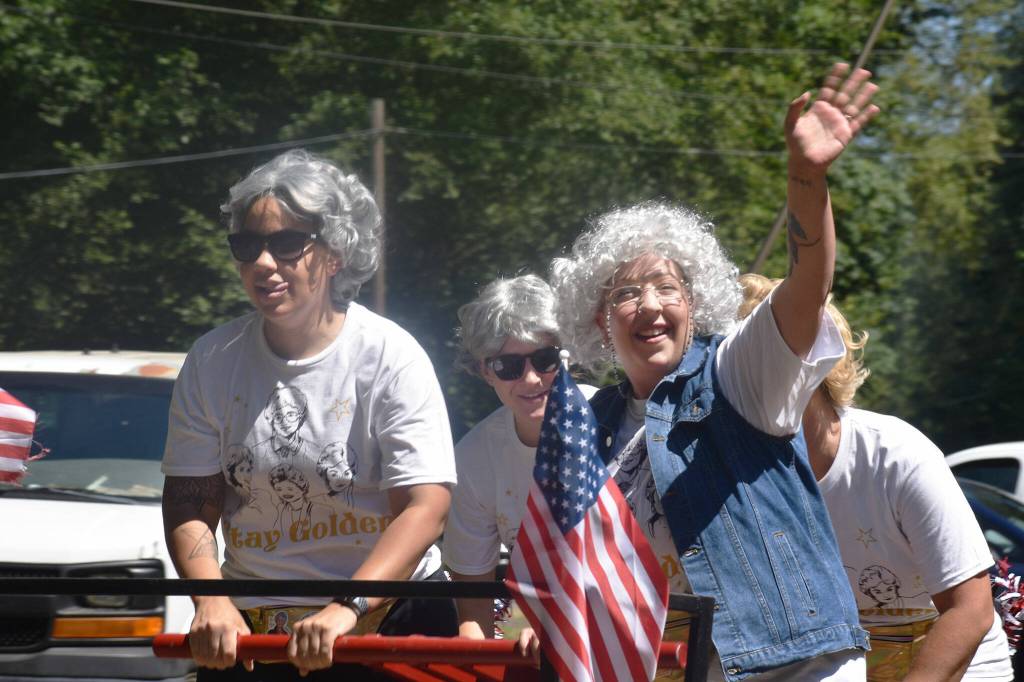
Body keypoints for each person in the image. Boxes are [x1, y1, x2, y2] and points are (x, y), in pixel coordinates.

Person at [550, 63, 879, 680]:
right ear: (600, 321)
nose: (648, 305)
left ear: (693, 305)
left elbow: (808, 286)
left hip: (793, 665)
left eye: (665, 287)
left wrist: (807, 178)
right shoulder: (590, 426)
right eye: (624, 294)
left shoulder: (737, 374)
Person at [161, 149, 458, 680]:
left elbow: (425, 506)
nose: (263, 263)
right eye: (246, 245)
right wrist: (211, 599)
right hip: (252, 633)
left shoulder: (391, 354)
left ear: (335, 253)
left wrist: (349, 607)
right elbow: (189, 501)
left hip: (386, 621)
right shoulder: (211, 359)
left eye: (286, 244)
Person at [739, 273, 1013, 682]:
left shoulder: (896, 454)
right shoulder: (736, 474)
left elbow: (969, 611)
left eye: (777, 355)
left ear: (820, 362)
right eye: (741, 364)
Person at [442, 274, 595, 660]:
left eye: (545, 359)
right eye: (508, 365)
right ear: (484, 370)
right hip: (536, 643)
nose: (530, 378)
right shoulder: (473, 458)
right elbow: (472, 606)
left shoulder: (610, 421)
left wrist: (558, 622)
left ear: (567, 354)